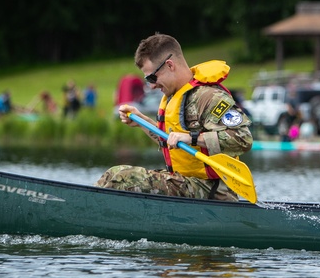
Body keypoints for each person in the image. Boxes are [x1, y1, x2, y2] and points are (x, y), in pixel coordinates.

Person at [96, 33, 253, 201]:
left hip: (211, 190)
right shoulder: (173, 97)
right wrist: (141, 121)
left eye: (152, 77)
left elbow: (242, 139)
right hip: (184, 183)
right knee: (110, 176)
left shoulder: (210, 97)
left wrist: (191, 138)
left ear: (170, 65)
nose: (152, 85)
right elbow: (169, 141)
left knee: (122, 177)